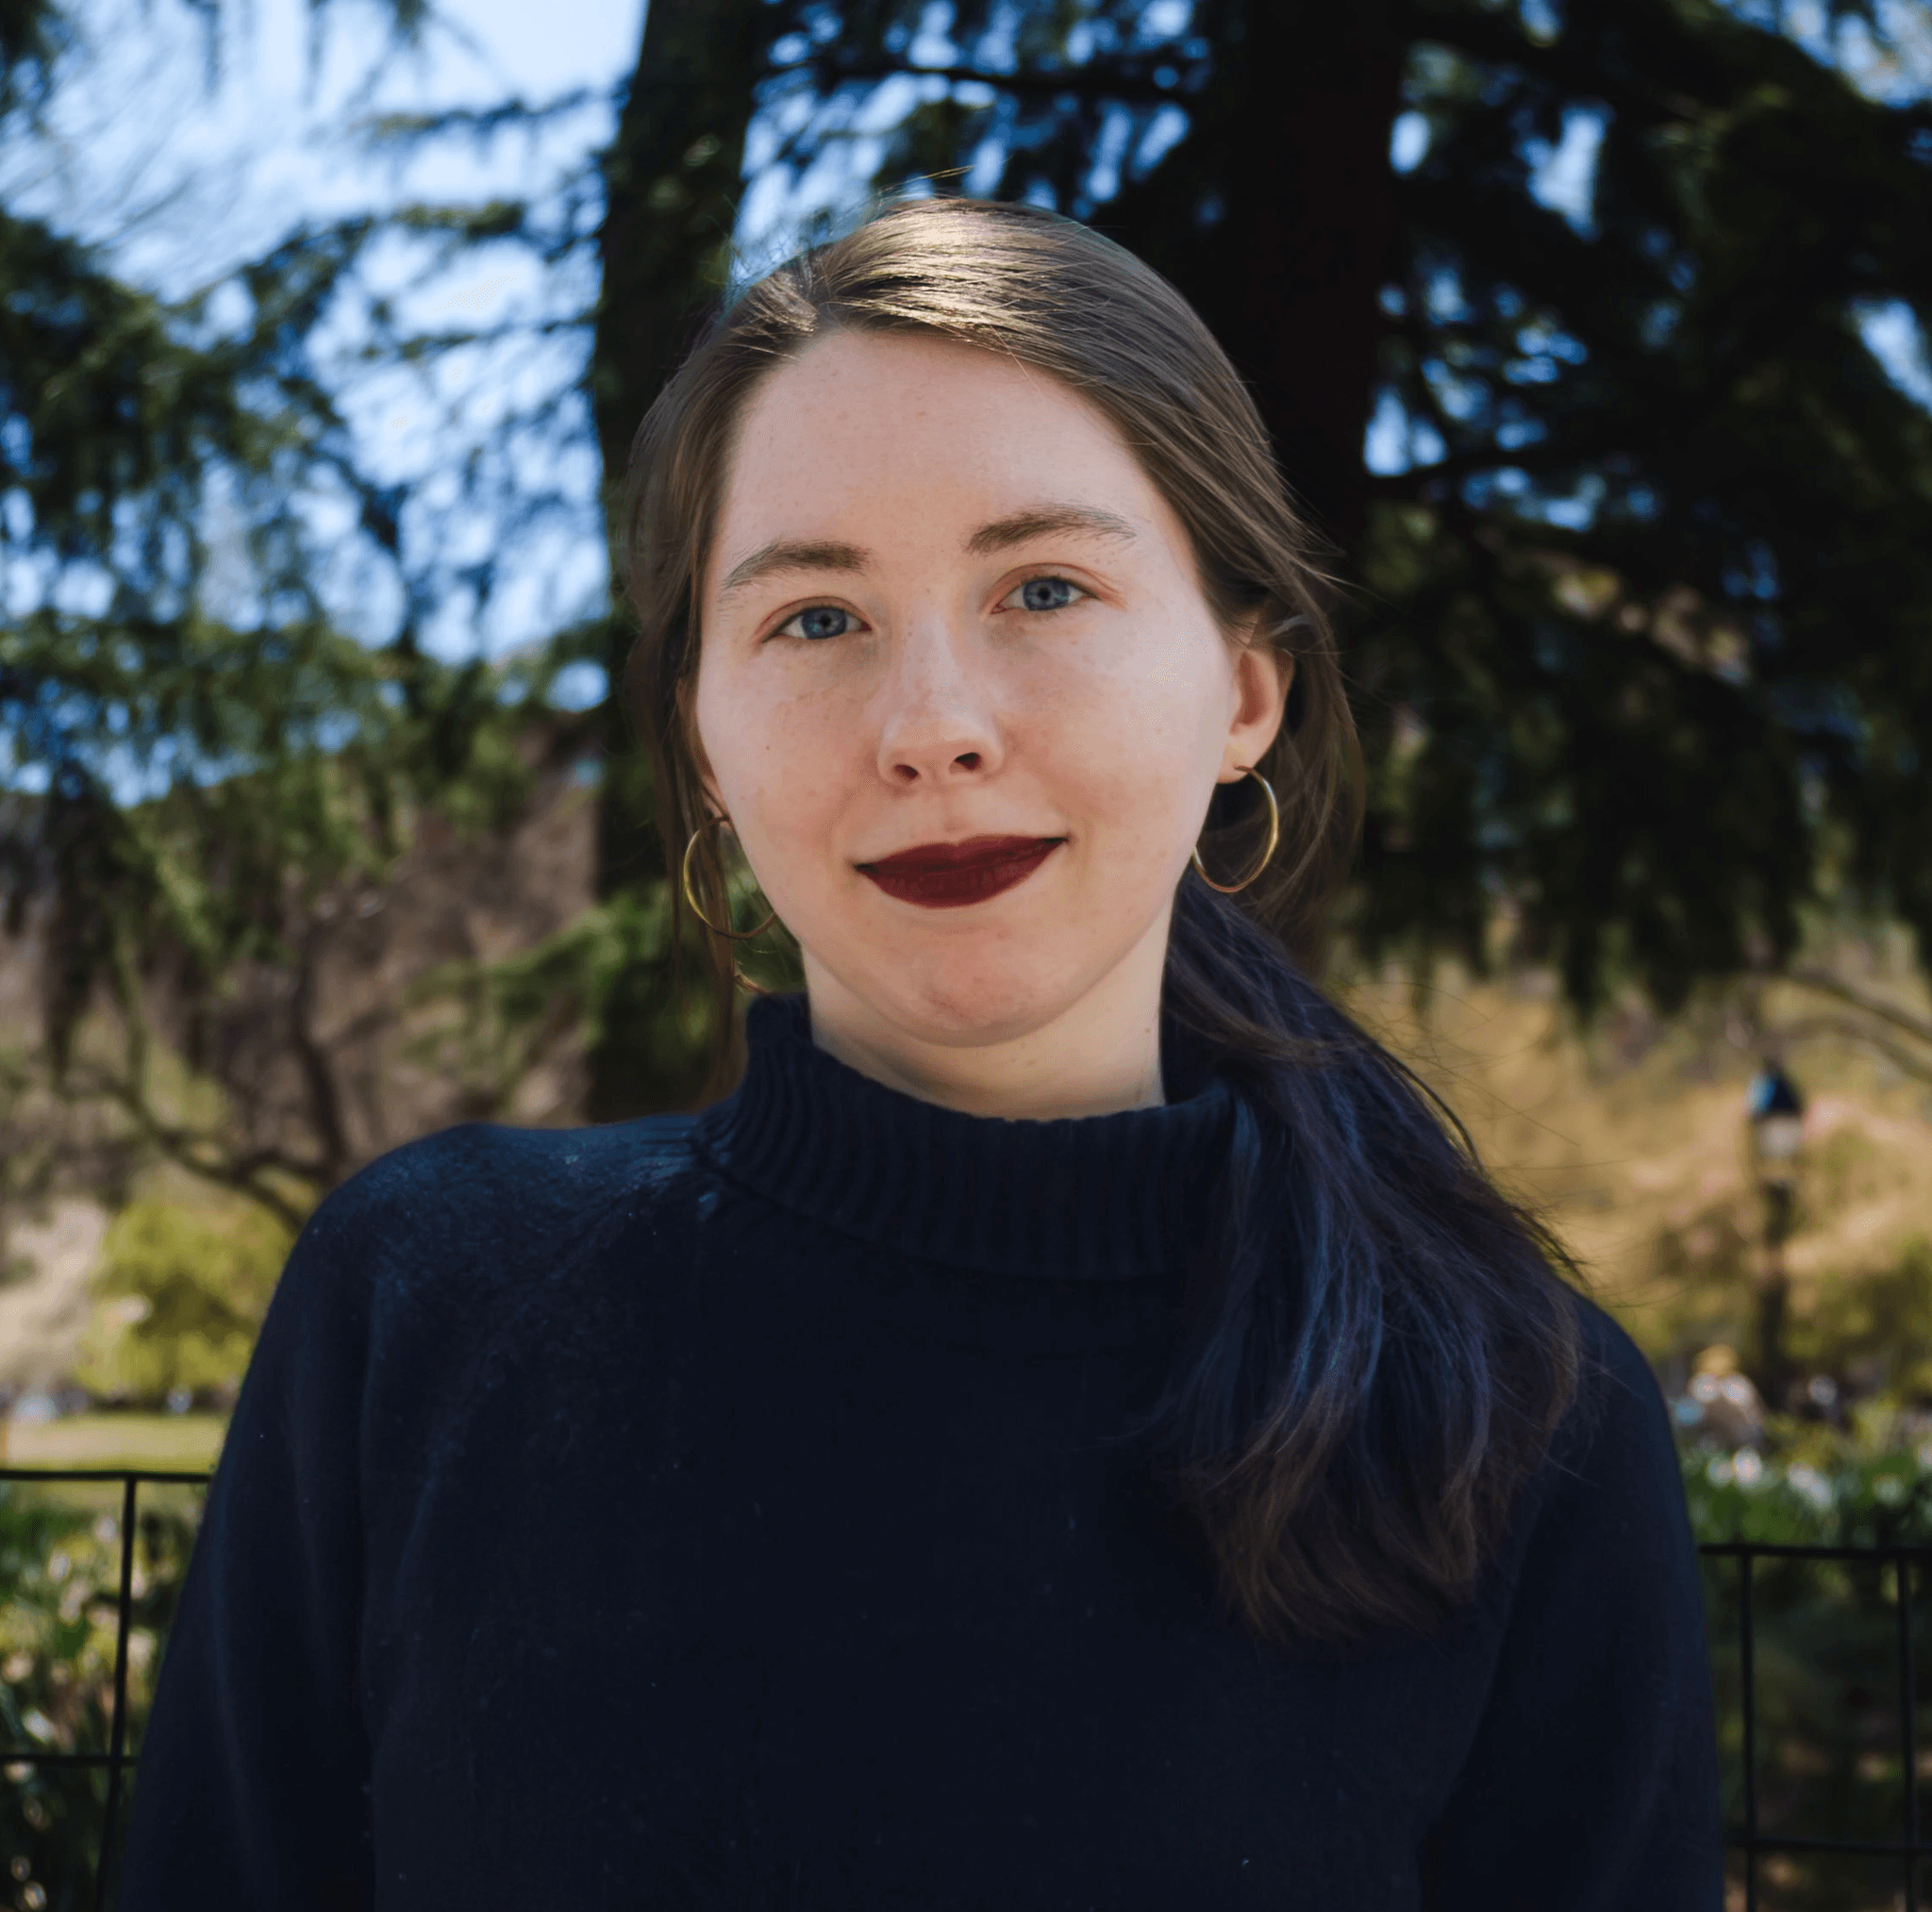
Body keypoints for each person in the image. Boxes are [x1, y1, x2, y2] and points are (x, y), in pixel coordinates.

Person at [123, 197, 1722, 1909]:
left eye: (1045, 587)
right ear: (705, 738)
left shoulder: (1521, 1422)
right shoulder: (420, 1307)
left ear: (1245, 690)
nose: (933, 727)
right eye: (817, 617)